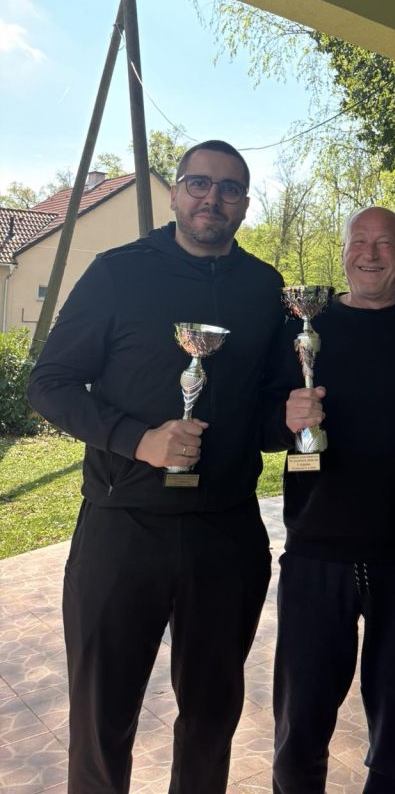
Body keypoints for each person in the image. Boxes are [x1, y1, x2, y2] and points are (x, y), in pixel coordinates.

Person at [27, 140, 285, 794]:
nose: (212, 198)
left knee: (211, 720)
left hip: (226, 532)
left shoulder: (264, 288)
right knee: (102, 719)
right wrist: (137, 440)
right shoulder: (118, 273)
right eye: (199, 182)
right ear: (175, 193)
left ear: (244, 205)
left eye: (229, 188)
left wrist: (295, 417)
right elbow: (49, 383)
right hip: (122, 528)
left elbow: (265, 419)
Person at [266, 207, 395, 794]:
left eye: (385, 243)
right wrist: (283, 418)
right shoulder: (303, 322)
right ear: (343, 249)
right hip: (316, 549)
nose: (370, 254)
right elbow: (259, 417)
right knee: (300, 727)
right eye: (359, 241)